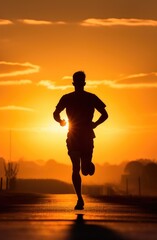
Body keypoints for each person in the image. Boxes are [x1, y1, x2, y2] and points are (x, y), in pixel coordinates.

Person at [53, 71, 108, 210]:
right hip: (73, 136)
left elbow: (105, 114)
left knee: (84, 170)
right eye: (77, 82)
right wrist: (60, 121)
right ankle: (79, 199)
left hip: (87, 136)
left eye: (79, 82)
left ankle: (89, 165)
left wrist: (95, 124)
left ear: (82, 83)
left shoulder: (92, 97)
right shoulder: (66, 98)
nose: (78, 85)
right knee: (75, 168)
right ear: (75, 83)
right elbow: (55, 113)